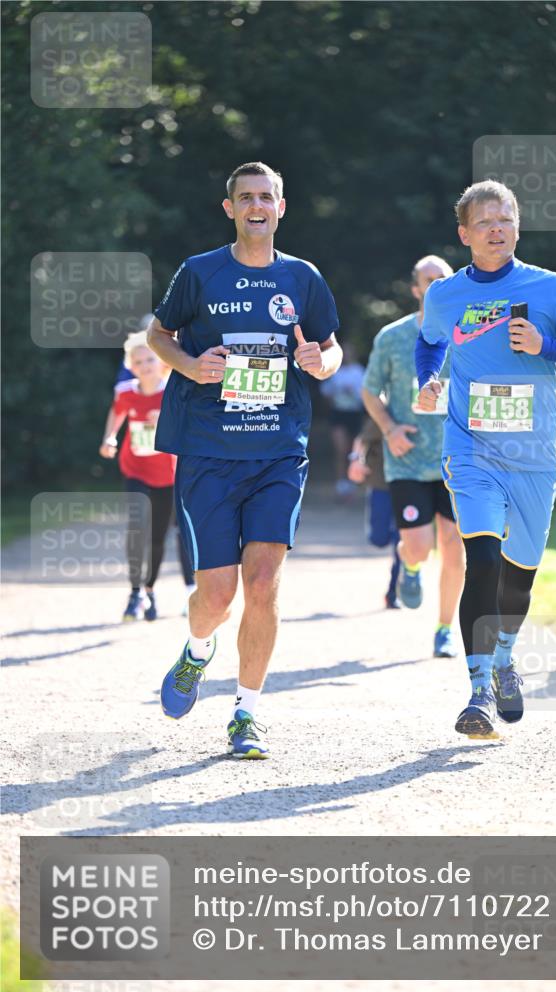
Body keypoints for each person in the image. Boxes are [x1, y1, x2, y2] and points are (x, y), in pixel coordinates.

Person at [147, 161, 341, 760]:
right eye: (245, 197)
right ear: (229, 208)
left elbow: (330, 350)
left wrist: (319, 364)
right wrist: (190, 365)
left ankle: (245, 714)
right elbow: (159, 335)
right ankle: (197, 650)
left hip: (279, 450)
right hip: (209, 451)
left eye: (266, 197)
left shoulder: (304, 279)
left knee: (262, 584)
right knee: (218, 597)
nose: (256, 205)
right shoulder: (201, 272)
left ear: (281, 207)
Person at [416, 180, 556, 736]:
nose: (496, 229)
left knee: (518, 579)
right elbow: (431, 341)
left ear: (517, 227)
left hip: (533, 455)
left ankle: (503, 660)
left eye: (505, 220)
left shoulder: (549, 288)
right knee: (483, 559)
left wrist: (544, 346)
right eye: (484, 222)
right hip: (469, 447)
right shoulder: (446, 294)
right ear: (464, 233)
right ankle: (476, 693)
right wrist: (429, 377)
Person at [362, 256, 466, 657]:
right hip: (406, 459)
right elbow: (371, 391)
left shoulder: (469, 334)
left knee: (454, 542)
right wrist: (389, 429)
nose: (437, 285)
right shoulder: (392, 337)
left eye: (444, 279)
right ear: (416, 289)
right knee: (420, 546)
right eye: (429, 280)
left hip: (456, 459)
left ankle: (444, 628)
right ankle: (410, 565)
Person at [99, 331, 191, 621]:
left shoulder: (173, 391)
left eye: (150, 359)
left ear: (162, 362)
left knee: (159, 537)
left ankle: (150, 591)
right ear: (131, 365)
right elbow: (117, 414)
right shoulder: (125, 391)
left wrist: (164, 420)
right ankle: (135, 592)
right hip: (136, 470)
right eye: (138, 361)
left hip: (169, 474)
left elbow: (190, 427)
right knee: (138, 528)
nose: (145, 365)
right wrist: (109, 438)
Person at [347, 417, 402, 609]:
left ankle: (393, 592)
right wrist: (355, 460)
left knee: (401, 542)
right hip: (380, 484)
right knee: (378, 539)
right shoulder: (384, 412)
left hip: (409, 484)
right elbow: (361, 439)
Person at [320, 345, 366, 499]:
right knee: (340, 449)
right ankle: (341, 483)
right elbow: (326, 392)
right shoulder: (335, 370)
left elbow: (366, 395)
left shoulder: (359, 371)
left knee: (353, 451)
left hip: (354, 414)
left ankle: (352, 482)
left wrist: (353, 393)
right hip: (338, 414)